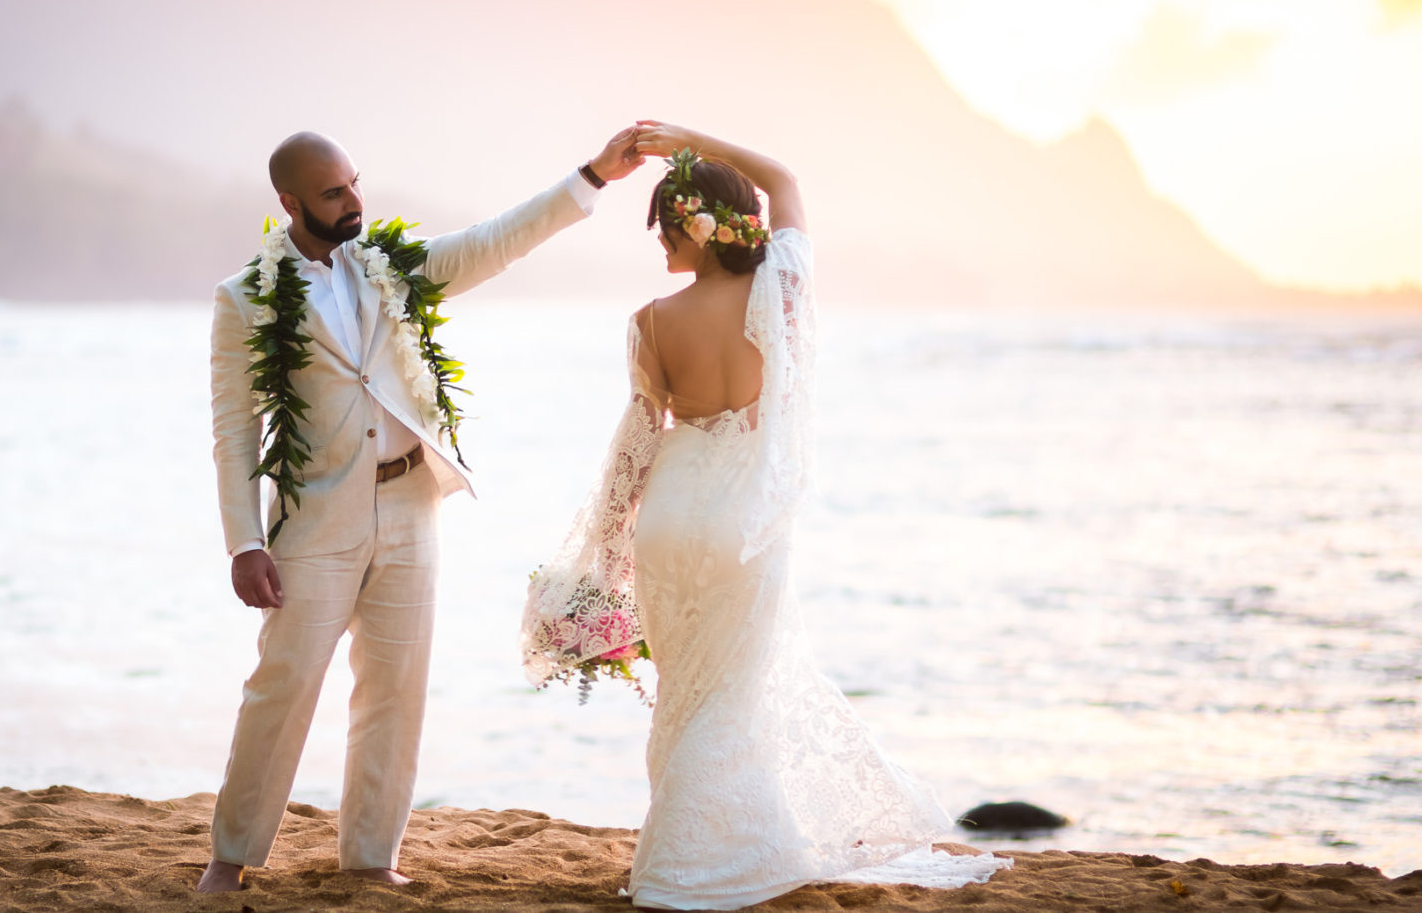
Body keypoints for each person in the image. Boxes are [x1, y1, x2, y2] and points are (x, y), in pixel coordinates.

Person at [521, 121, 1012, 909]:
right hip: (741, 519)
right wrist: (692, 138)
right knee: (728, 695)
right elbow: (784, 179)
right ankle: (692, 866)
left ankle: (686, 852)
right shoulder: (780, 289)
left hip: (671, 518)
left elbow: (640, 441)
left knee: (684, 692)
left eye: (666, 226)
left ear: (697, 224)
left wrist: (607, 540)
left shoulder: (648, 321)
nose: (659, 243)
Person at [201, 128, 646, 893]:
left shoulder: (392, 267)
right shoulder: (245, 298)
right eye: (335, 192)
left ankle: (372, 857)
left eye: (354, 184)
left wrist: (593, 177)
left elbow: (494, 241)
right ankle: (230, 856)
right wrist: (244, 542)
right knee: (283, 684)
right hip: (313, 519)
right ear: (290, 202)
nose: (354, 202)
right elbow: (234, 429)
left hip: (412, 501)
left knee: (397, 686)